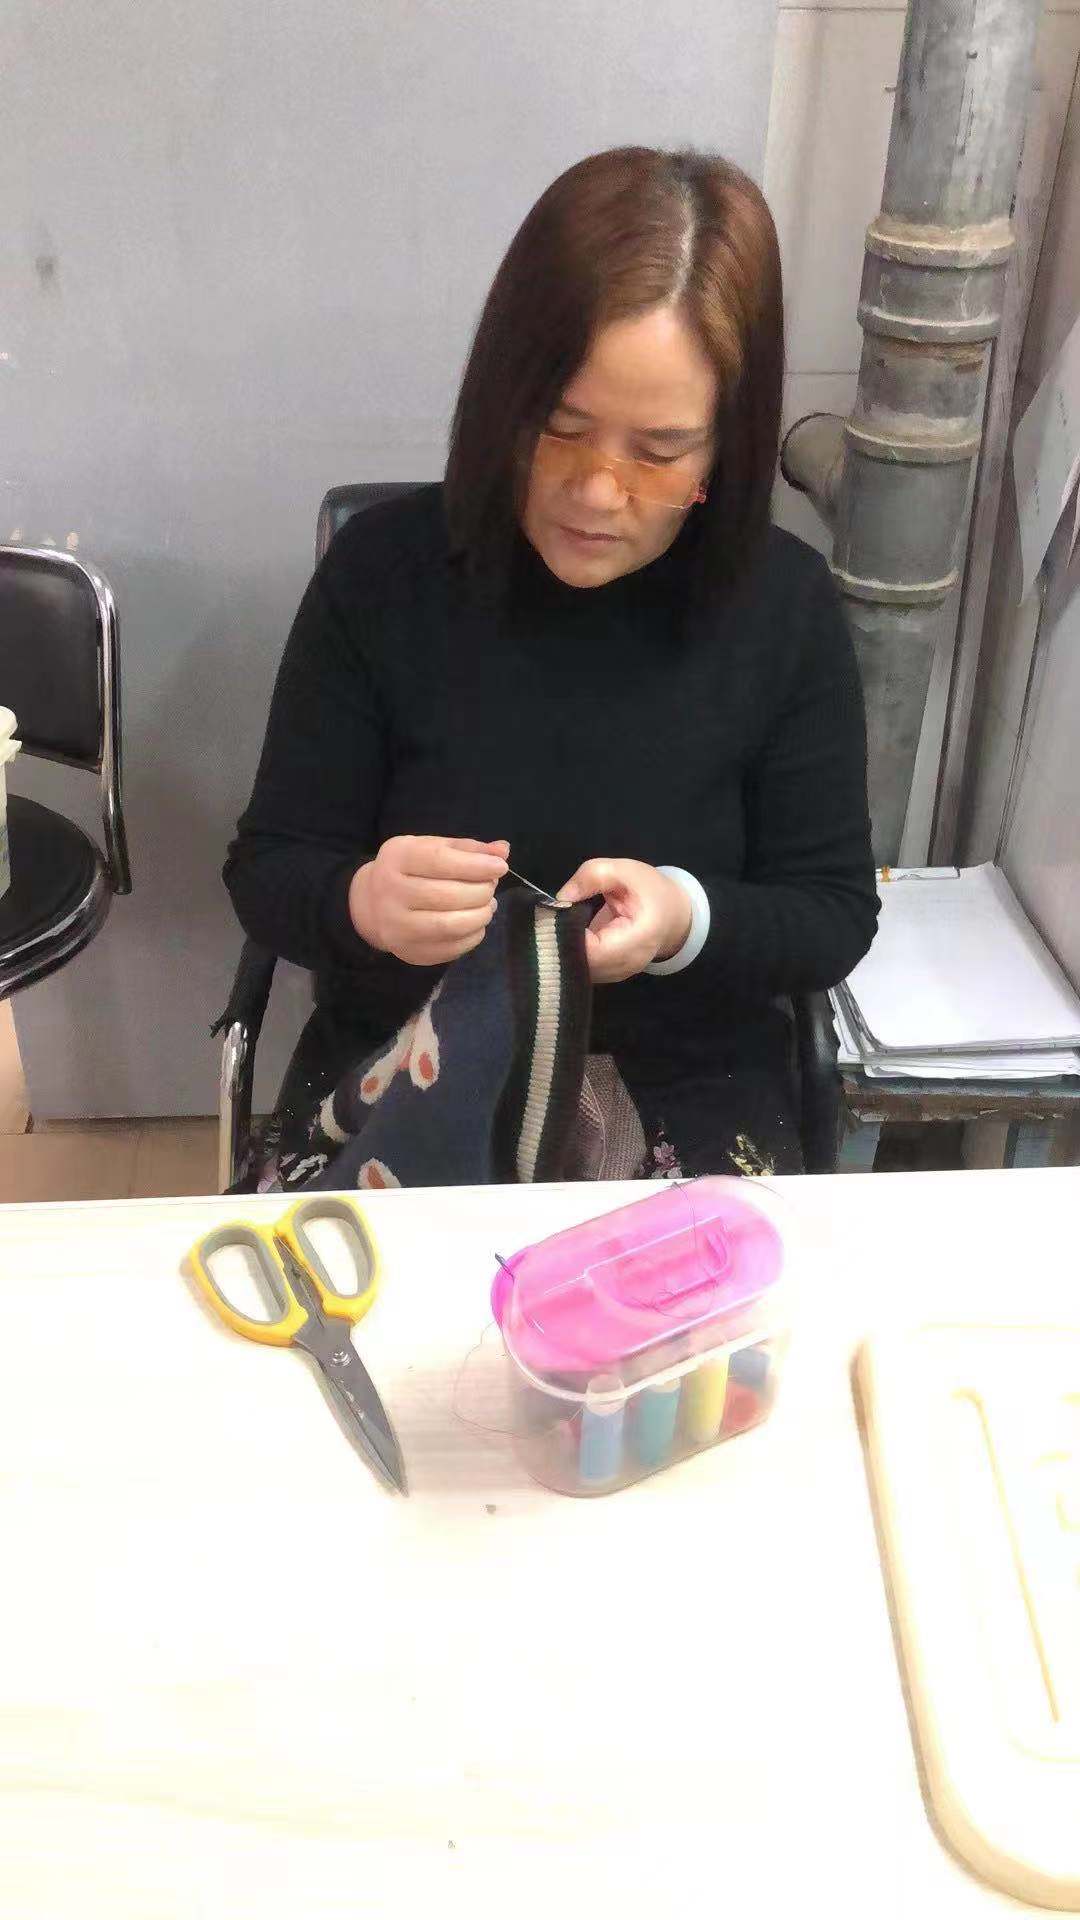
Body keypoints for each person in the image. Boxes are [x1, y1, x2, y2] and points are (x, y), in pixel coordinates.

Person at [224, 146, 878, 1178]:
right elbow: (269, 870)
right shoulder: (382, 577)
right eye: (561, 429)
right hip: (408, 1059)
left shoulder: (783, 609)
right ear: (504, 398)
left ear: (725, 446)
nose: (598, 494)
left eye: (659, 451)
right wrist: (365, 903)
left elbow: (831, 913)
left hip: (686, 1079)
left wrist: (685, 919)